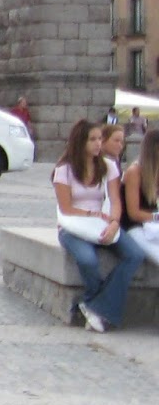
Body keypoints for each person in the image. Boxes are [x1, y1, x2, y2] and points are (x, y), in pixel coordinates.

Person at [53, 119, 145, 333]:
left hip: (102, 223)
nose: (98, 143)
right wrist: (91, 213)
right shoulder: (64, 170)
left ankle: (93, 306)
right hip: (73, 227)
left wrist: (114, 223)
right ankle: (97, 305)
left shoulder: (108, 166)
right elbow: (66, 208)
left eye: (99, 139)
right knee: (88, 259)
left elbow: (115, 200)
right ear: (80, 142)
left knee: (134, 254)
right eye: (92, 139)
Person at [121, 128, 159, 267]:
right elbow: (133, 213)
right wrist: (156, 217)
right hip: (133, 227)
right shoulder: (135, 172)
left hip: (151, 225)